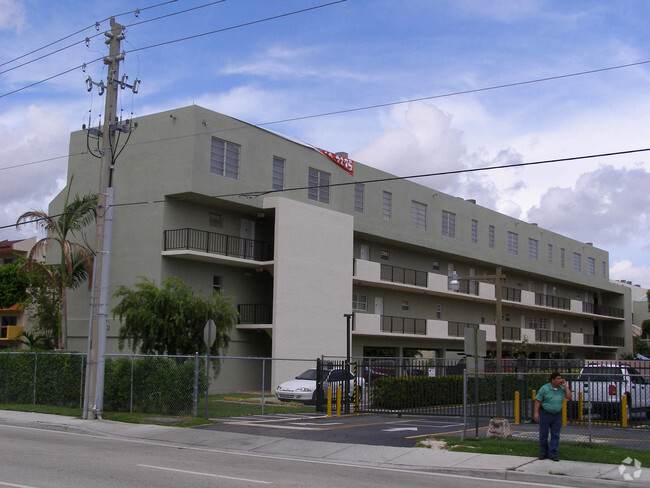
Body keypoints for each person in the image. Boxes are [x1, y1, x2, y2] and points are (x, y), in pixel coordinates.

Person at [534, 372, 572, 461]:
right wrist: (536, 413)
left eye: (560, 379)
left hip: (557, 415)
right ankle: (543, 452)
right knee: (543, 434)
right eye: (558, 379)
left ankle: (553, 453)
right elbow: (538, 400)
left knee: (555, 434)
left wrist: (566, 386)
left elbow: (569, 397)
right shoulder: (544, 388)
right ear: (553, 380)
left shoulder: (562, 389)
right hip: (545, 414)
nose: (560, 380)